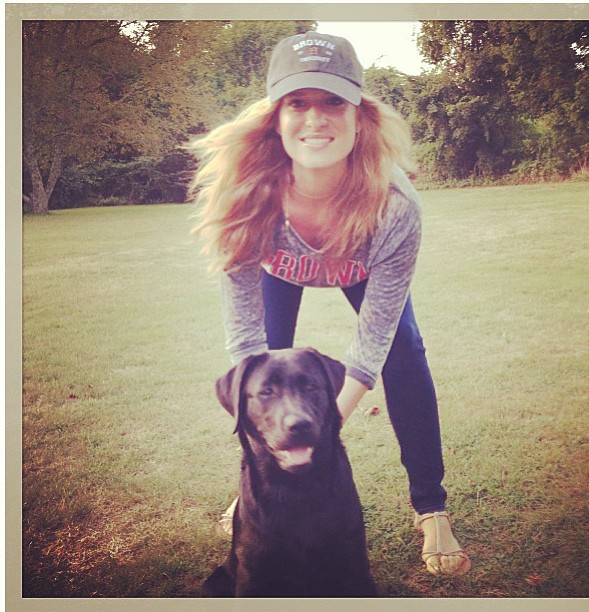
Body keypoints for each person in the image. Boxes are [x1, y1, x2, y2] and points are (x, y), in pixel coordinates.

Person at [190, 31, 471, 577]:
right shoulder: (245, 195)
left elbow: (371, 344)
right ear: (276, 117)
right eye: (298, 102)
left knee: (405, 353)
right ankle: (252, 495)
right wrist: (280, 438)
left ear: (358, 116)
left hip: (359, 269)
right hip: (279, 271)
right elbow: (245, 343)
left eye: (333, 102)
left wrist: (319, 426)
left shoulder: (394, 206)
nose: (315, 119)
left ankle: (431, 507)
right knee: (264, 374)